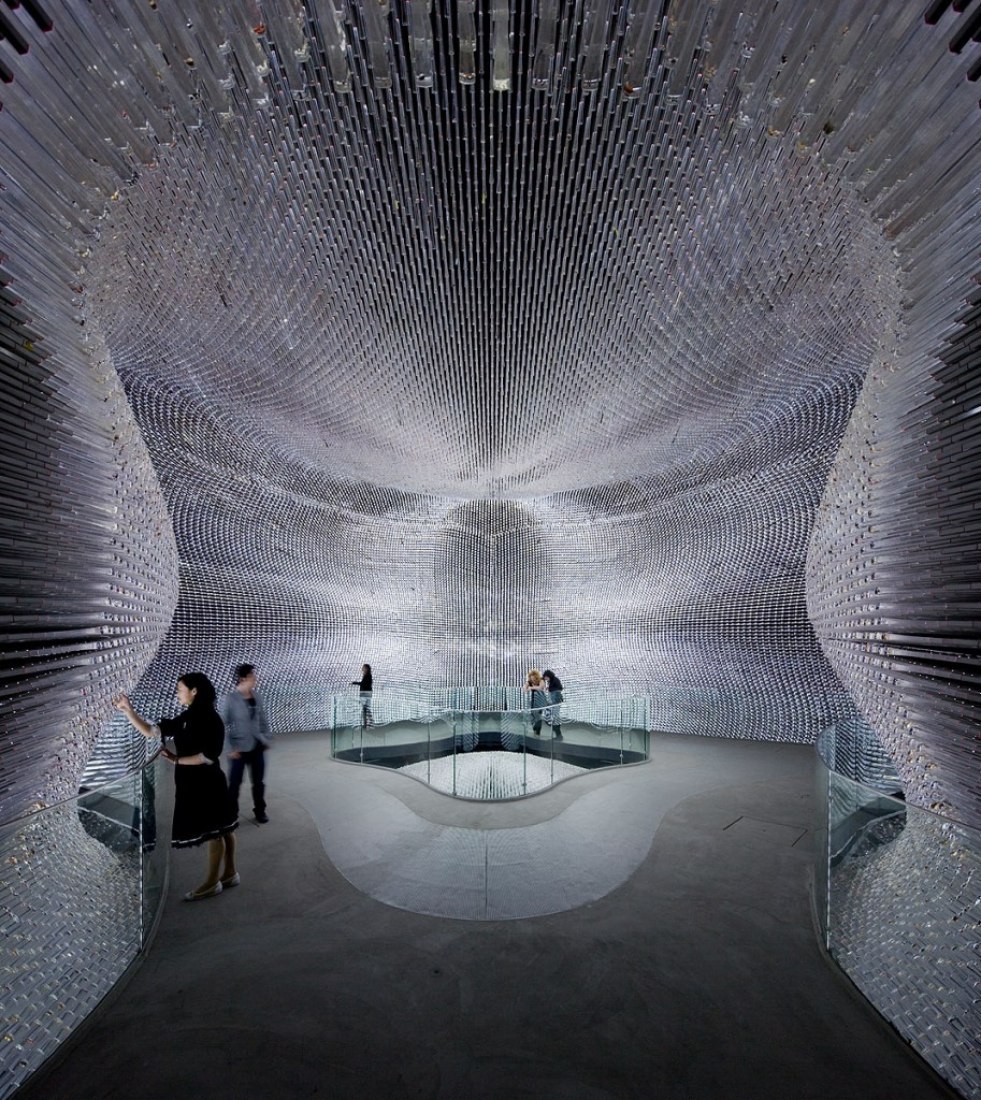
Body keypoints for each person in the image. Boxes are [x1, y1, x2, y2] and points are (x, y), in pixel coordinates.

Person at [114, 673, 238, 901]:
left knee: (215, 831)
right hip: (202, 781)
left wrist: (177, 760)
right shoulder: (190, 716)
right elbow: (153, 732)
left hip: (205, 782)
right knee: (223, 827)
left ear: (194, 691)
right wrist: (128, 711)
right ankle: (229, 873)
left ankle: (212, 883)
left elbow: (208, 756)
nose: (177, 692)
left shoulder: (207, 718)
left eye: (180, 688)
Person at [222, 663, 273, 825]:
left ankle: (260, 811)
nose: (255, 679)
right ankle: (231, 814)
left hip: (257, 746)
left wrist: (266, 738)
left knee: (258, 782)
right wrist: (229, 748)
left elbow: (263, 720)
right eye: (252, 676)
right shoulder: (230, 699)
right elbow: (222, 725)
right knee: (235, 784)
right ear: (242, 679)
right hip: (238, 749)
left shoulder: (257, 696)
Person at [524, 669, 547, 735]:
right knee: (532, 715)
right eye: (531, 678)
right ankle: (535, 730)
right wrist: (525, 688)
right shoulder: (530, 681)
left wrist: (531, 688)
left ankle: (538, 732)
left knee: (538, 716)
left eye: (533, 678)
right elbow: (524, 688)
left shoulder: (541, 680)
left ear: (536, 677)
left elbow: (540, 688)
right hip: (533, 700)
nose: (532, 680)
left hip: (540, 700)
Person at [542, 669, 564, 738]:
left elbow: (559, 688)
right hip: (555, 701)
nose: (545, 679)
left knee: (555, 716)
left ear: (548, 676)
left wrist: (550, 688)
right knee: (553, 715)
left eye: (546, 677)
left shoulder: (554, 680)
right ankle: (557, 734)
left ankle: (559, 735)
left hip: (556, 701)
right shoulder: (553, 681)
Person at [351, 663, 373, 728]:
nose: (362, 668)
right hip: (367, 693)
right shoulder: (367, 675)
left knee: (365, 709)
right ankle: (368, 723)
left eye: (363, 667)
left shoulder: (368, 676)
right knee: (366, 709)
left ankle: (367, 724)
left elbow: (363, 684)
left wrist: (354, 683)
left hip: (365, 694)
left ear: (366, 668)